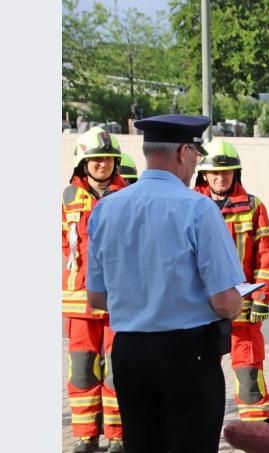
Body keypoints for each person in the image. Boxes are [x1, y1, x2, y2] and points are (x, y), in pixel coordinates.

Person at [85, 114, 245, 453]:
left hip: (129, 353)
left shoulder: (106, 209)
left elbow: (97, 297)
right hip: (188, 355)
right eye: (197, 156)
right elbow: (225, 302)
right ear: (184, 152)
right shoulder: (198, 209)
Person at [194, 138, 269, 421]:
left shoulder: (254, 207)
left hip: (243, 310)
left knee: (250, 377)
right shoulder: (189, 205)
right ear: (204, 174)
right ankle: (200, 435)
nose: (221, 177)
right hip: (200, 312)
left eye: (227, 172)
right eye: (215, 172)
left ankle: (256, 435)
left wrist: (261, 299)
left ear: (236, 173)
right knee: (200, 378)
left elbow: (266, 259)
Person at [62, 126, 128, 453]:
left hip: (120, 300)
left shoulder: (129, 195)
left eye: (107, 159)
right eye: (95, 159)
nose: (102, 165)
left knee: (118, 372)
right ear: (83, 163)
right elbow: (64, 242)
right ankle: (86, 435)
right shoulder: (68, 197)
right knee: (83, 371)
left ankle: (117, 435)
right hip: (78, 303)